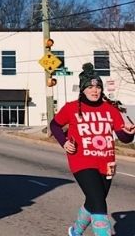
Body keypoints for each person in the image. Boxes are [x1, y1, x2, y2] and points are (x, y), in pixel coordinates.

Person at [50, 63, 135, 236]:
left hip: (106, 162)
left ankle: (75, 231)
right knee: (99, 205)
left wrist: (129, 132)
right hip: (82, 161)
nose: (94, 90)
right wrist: (64, 142)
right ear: (83, 89)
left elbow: (124, 137)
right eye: (90, 87)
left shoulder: (111, 109)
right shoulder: (71, 108)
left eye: (97, 87)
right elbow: (55, 125)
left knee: (94, 201)